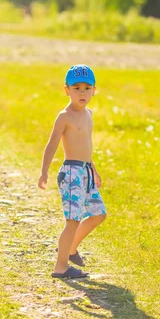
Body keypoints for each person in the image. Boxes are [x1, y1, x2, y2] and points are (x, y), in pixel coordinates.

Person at [37, 64, 107, 279]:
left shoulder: (89, 114)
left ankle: (70, 248)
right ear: (66, 90)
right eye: (76, 88)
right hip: (71, 173)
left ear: (94, 90)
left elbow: (86, 144)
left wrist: (93, 169)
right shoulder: (64, 116)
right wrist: (44, 172)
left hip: (85, 172)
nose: (82, 92)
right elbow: (52, 145)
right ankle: (61, 267)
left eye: (87, 88)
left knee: (98, 214)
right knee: (72, 221)